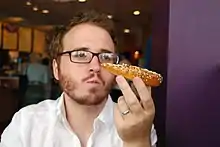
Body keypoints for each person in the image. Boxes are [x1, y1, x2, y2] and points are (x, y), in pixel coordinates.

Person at [0, 10, 157, 147]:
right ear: (56, 68)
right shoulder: (25, 125)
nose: (95, 66)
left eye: (105, 56)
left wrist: (136, 142)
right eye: (80, 55)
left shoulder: (138, 125)